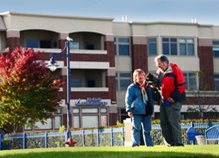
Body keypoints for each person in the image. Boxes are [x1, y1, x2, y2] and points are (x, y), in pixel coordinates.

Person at [154, 55, 186, 146]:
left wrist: (173, 98)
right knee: (164, 123)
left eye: (159, 64)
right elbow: (159, 86)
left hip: (173, 101)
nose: (158, 66)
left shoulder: (175, 70)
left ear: (165, 63)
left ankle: (178, 143)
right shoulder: (159, 72)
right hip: (163, 101)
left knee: (174, 122)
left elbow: (181, 86)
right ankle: (169, 143)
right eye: (157, 65)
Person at [125, 68, 154, 147]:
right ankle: (135, 144)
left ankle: (149, 145)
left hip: (148, 111)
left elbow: (153, 97)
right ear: (135, 78)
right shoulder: (132, 87)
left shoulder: (149, 87)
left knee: (147, 130)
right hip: (136, 111)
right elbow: (128, 100)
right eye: (139, 77)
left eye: (142, 77)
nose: (141, 79)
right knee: (136, 129)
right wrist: (129, 110)